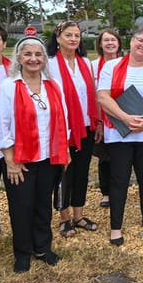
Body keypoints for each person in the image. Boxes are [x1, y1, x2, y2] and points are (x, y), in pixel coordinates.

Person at [0, 37, 69, 272]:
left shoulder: (53, 85)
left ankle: (43, 247)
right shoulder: (9, 86)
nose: (33, 59)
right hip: (21, 159)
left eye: (38, 54)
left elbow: (62, 118)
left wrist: (64, 150)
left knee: (43, 205)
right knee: (21, 206)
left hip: (49, 156)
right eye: (28, 54)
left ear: (44, 59)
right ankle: (23, 252)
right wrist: (10, 158)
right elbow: (1, 123)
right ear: (19, 57)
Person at [97, 27, 143, 245]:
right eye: (140, 40)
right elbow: (103, 97)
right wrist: (125, 117)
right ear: (131, 41)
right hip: (119, 134)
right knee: (119, 180)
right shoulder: (111, 66)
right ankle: (116, 227)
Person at [47, 20, 100, 237]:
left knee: (82, 172)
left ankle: (79, 215)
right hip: (62, 128)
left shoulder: (85, 63)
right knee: (63, 173)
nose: (73, 39)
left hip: (85, 125)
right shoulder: (49, 64)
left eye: (77, 35)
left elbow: (93, 94)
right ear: (58, 38)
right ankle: (64, 217)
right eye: (68, 35)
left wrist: (97, 123)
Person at [93, 28, 122, 209]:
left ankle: (126, 187)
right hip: (102, 118)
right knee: (105, 157)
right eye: (106, 40)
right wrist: (99, 121)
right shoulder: (93, 66)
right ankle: (106, 192)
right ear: (100, 44)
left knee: (126, 155)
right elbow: (93, 95)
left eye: (113, 40)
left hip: (123, 116)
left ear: (118, 43)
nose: (110, 43)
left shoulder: (126, 63)